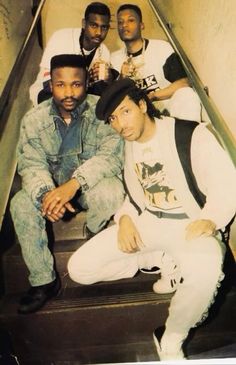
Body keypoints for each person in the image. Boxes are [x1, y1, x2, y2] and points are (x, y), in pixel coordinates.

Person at [67, 78, 236, 360]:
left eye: (125, 111)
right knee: (78, 269)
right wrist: (124, 220)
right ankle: (160, 259)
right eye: (112, 119)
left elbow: (227, 181)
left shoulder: (189, 134)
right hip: (151, 223)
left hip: (189, 226)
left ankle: (171, 338)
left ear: (143, 105)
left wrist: (211, 218)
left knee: (207, 263)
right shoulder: (128, 147)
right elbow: (134, 196)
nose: (120, 124)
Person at [10, 54, 124, 315]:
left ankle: (96, 235)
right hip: (51, 186)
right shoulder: (34, 119)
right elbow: (30, 164)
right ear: (51, 85)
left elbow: (111, 157)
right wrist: (45, 195)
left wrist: (73, 185)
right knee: (20, 203)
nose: (69, 92)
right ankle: (44, 281)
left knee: (113, 190)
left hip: (86, 187)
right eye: (61, 84)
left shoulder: (103, 111)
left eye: (76, 84)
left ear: (86, 83)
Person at [111, 4, 201, 121]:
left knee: (188, 95)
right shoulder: (114, 58)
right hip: (138, 119)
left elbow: (184, 83)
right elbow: (113, 100)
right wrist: (122, 78)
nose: (124, 25)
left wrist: (153, 96)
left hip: (168, 112)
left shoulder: (161, 48)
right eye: (120, 22)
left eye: (131, 20)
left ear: (141, 25)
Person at [30, 1, 117, 106]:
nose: (99, 32)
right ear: (84, 24)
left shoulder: (104, 52)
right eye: (94, 25)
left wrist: (108, 80)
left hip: (78, 100)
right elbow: (47, 81)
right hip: (48, 93)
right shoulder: (60, 37)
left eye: (104, 27)